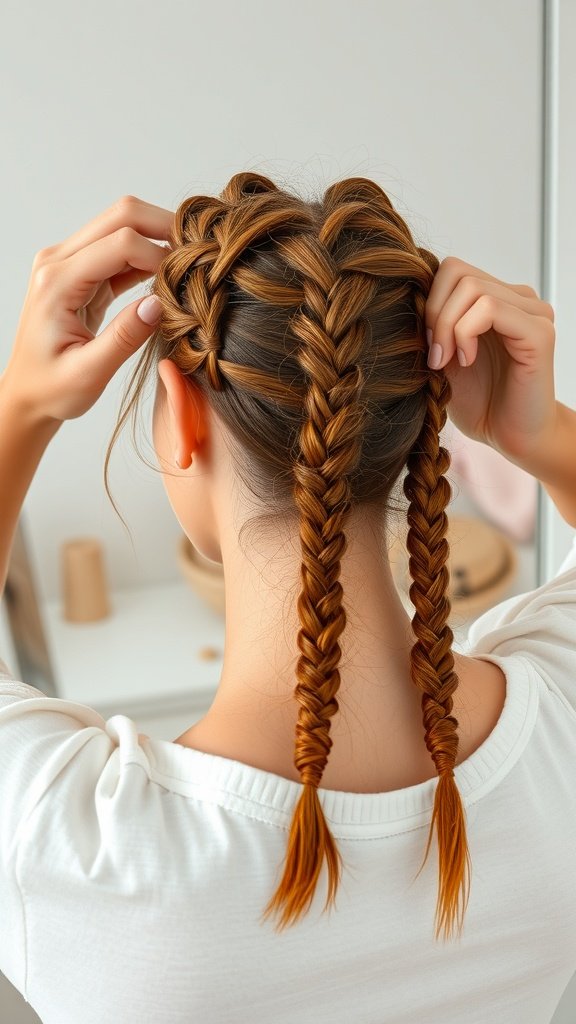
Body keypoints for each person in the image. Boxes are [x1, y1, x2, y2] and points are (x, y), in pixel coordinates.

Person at [0, 174, 575, 1024]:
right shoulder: (556, 728)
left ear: (180, 418)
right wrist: (545, 431)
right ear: (426, 419)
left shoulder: (66, 842)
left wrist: (21, 405)